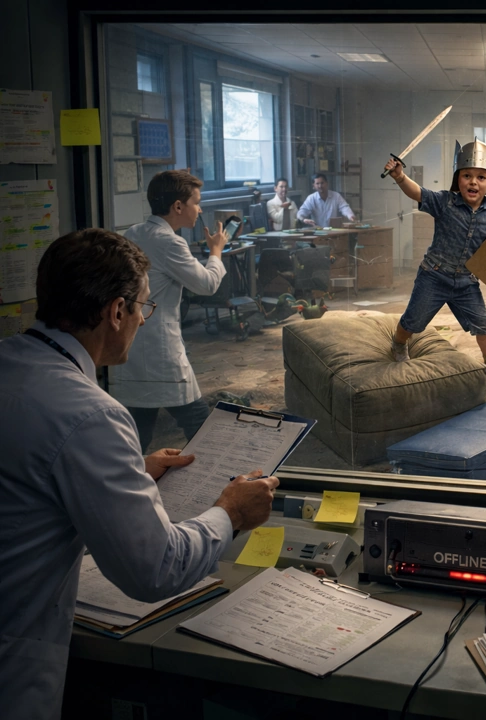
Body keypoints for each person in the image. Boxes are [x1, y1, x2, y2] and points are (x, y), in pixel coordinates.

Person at [0, 228, 278, 720]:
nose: (144, 320)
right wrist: (231, 513)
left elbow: (28, 480)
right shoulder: (90, 414)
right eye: (143, 307)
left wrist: (135, 470)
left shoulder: (12, 363)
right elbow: (156, 570)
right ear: (116, 311)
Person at [109, 170, 229, 453]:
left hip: (134, 345)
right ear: (178, 206)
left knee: (138, 429)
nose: (199, 209)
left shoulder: (134, 232)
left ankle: (129, 473)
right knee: (198, 423)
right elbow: (207, 284)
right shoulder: (170, 241)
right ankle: (217, 474)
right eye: (196, 203)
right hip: (160, 350)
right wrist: (216, 251)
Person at [383, 139, 486, 389]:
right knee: (413, 320)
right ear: (458, 179)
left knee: (484, 324)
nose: (473, 182)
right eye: (467, 176)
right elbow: (418, 192)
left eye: (481, 177)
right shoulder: (445, 202)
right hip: (434, 276)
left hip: (466, 281)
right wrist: (400, 177)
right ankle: (399, 344)